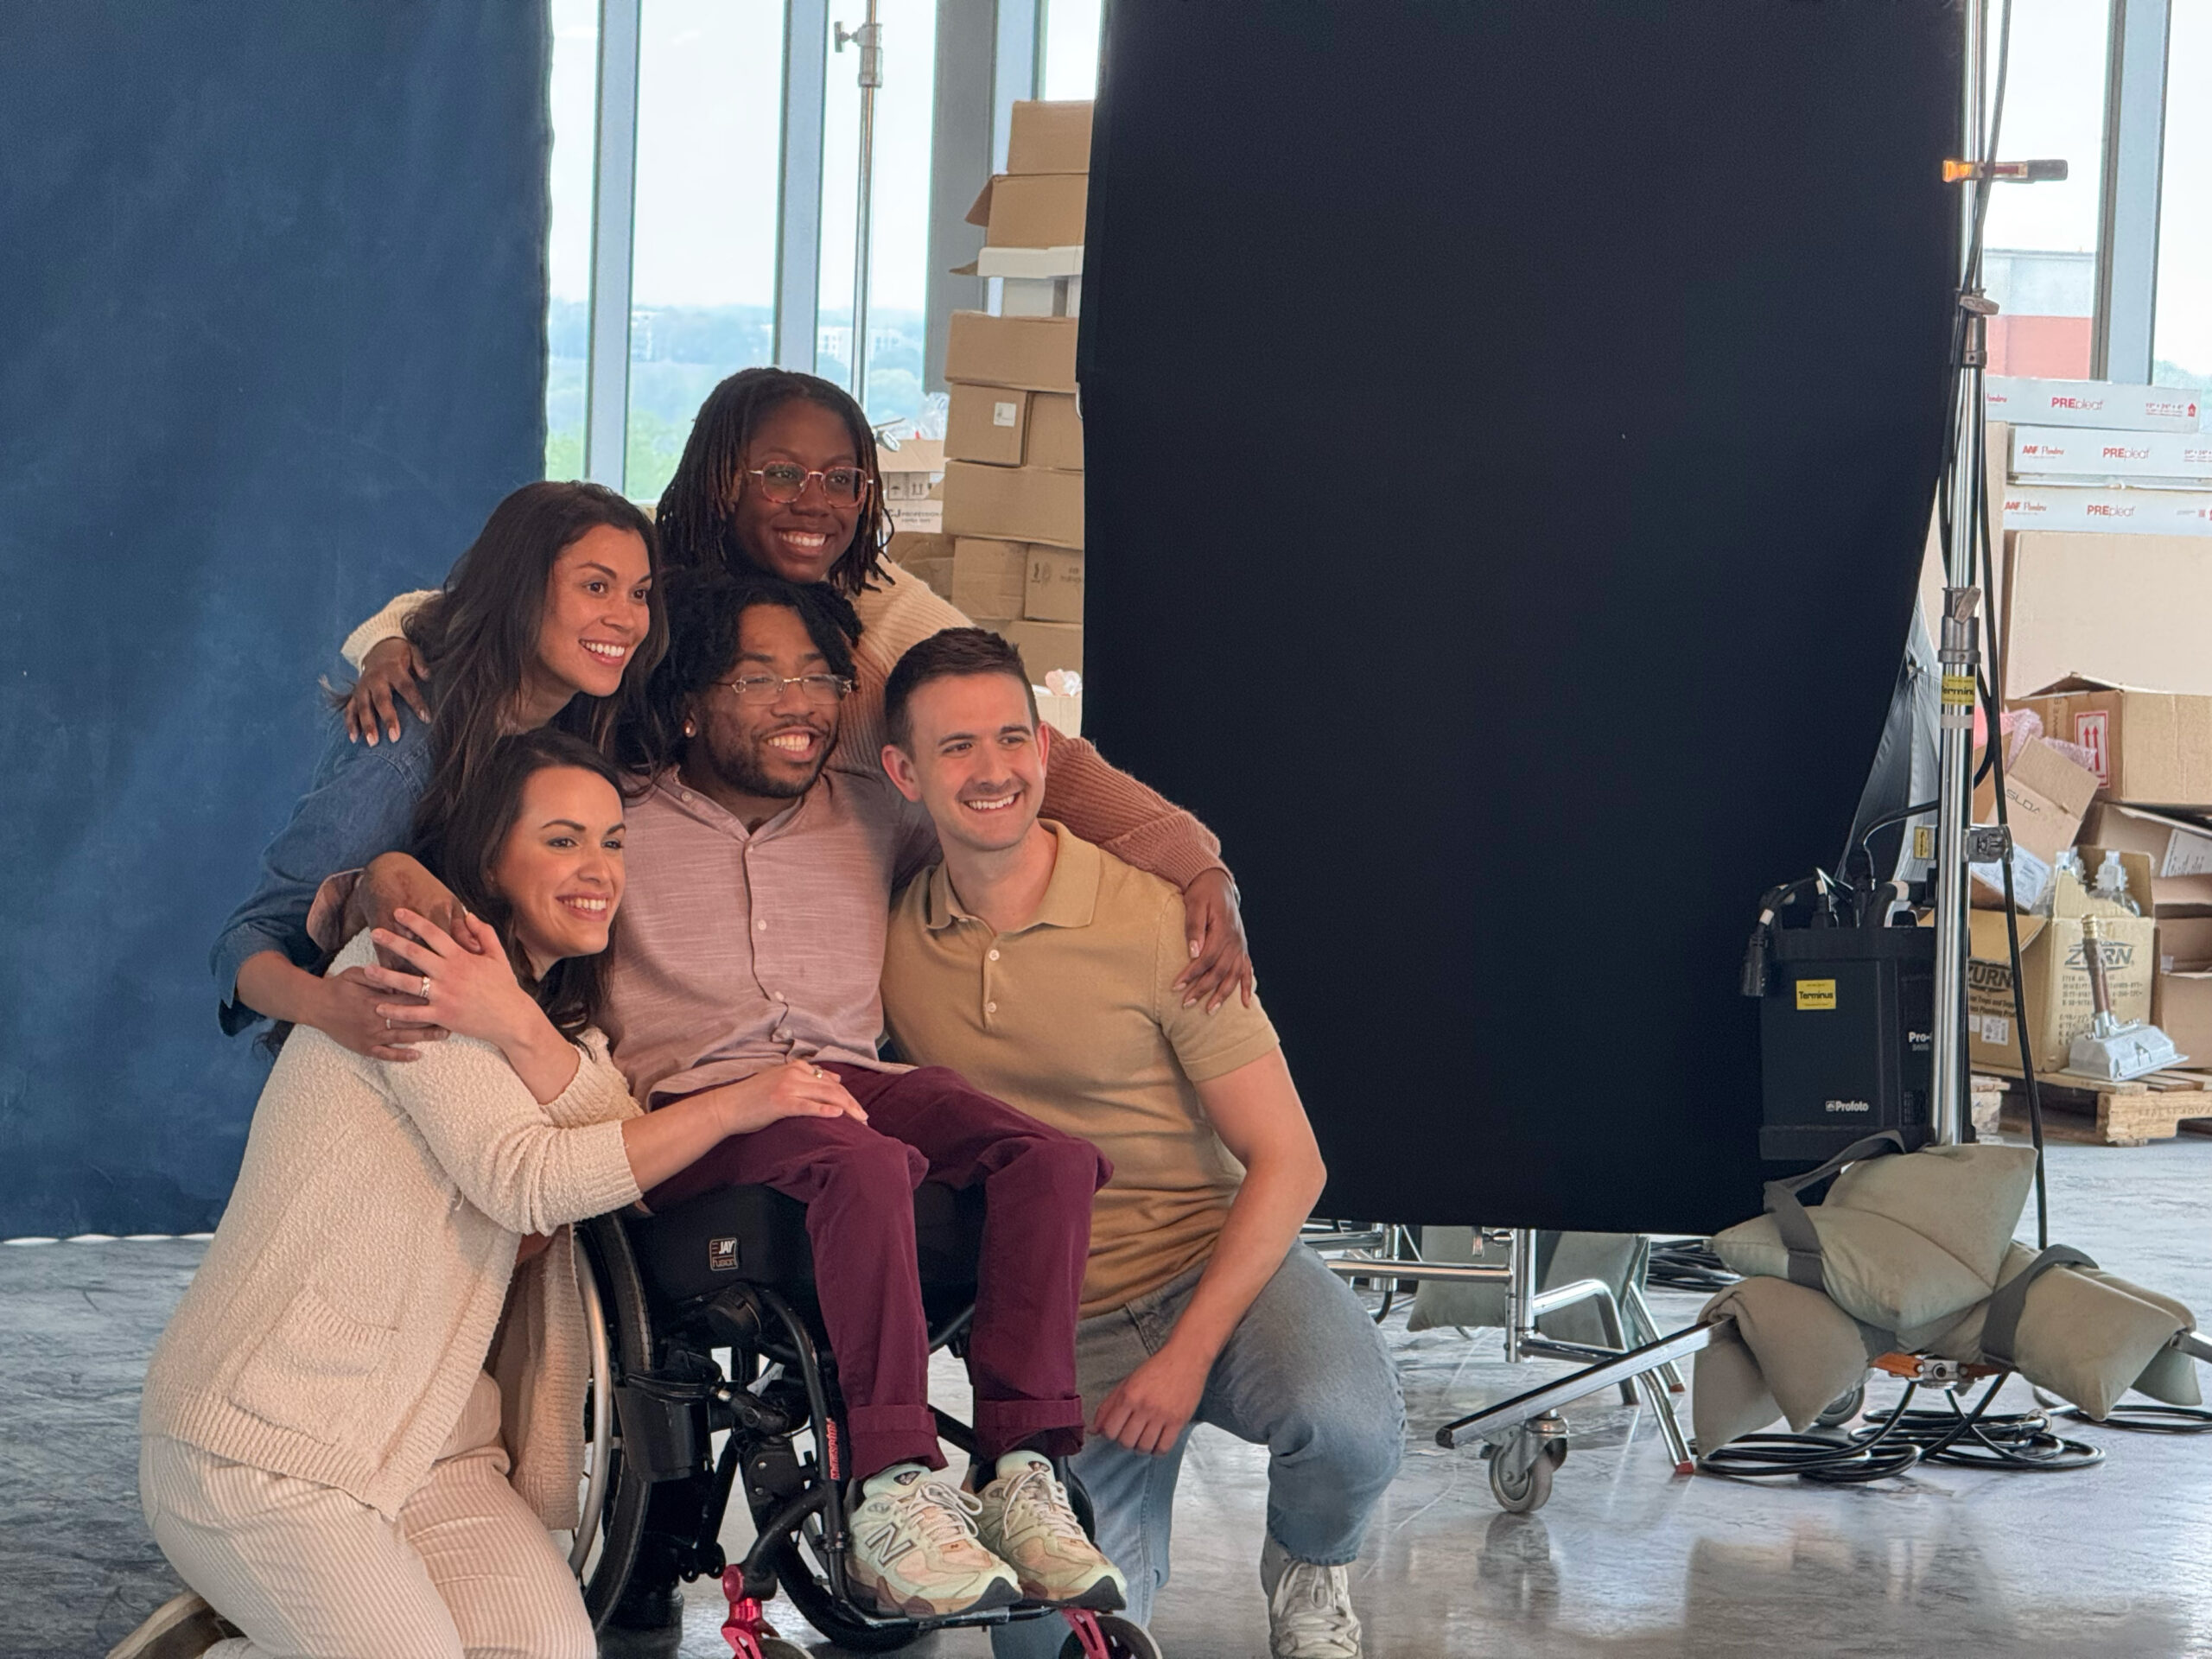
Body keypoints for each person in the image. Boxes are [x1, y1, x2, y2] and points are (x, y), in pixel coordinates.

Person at [344, 569, 1129, 1625]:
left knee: (1053, 1159)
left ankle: (1020, 1471)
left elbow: (1006, 776)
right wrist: (372, 870)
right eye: (759, 678)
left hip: (851, 1081)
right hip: (693, 1115)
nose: (798, 700)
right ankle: (890, 1491)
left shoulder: (871, 810)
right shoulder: (609, 819)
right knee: (863, 1163)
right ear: (686, 703)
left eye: (815, 677)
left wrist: (1197, 868)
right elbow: (456, 845)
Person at [113, 732, 864, 1659]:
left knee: (551, 1652)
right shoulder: (402, 974)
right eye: (560, 840)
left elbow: (603, 1136)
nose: (597, 869)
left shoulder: (549, 1029)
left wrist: (512, 1013)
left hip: (432, 1446)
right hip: (266, 1439)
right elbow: (531, 1178)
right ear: (489, 861)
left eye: (613, 841)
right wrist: (743, 1103)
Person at [334, 367, 1257, 1015]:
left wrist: (1194, 860)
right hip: (547, 898)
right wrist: (386, 648)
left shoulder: (880, 607)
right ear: (718, 476)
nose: (814, 502)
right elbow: (452, 606)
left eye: (843, 480)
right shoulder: (641, 557)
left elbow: (1017, 739)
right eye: (778, 474)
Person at [876, 630, 1405, 1659]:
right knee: (1051, 1647)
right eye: (955, 749)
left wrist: (1185, 1357)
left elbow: (1292, 1161)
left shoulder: (1158, 921)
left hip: (1218, 1270)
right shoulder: (894, 944)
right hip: (1057, 1323)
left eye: (1011, 738)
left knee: (1345, 1429)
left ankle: (1309, 1559)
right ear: (902, 773)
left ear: (1044, 749)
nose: (992, 771)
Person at [210, 479, 664, 1053]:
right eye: (596, 586)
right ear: (520, 592)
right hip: (391, 1064)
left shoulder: (584, 712)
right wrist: (326, 1007)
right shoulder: (405, 746)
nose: (626, 619)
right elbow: (247, 939)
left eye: (640, 594)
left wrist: (383, 633)